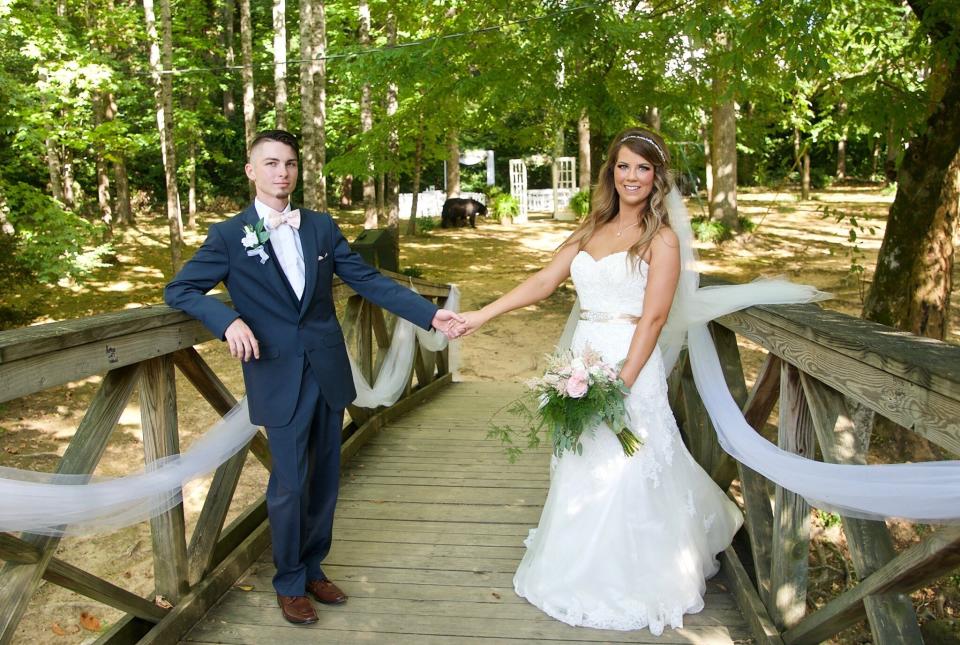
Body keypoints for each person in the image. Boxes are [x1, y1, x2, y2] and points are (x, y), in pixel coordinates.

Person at [165, 129, 463, 625]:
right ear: (251, 171)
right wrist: (227, 320)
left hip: (327, 370)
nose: (282, 172)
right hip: (276, 374)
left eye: (290, 164)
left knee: (325, 477)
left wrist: (429, 316)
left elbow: (367, 280)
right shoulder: (229, 235)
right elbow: (180, 290)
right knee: (289, 483)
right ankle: (288, 580)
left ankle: (314, 569)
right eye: (272, 163)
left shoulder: (321, 227)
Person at [456, 128, 743, 634]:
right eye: (623, 166)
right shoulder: (591, 227)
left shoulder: (662, 239)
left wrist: (620, 386)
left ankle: (637, 576)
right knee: (581, 460)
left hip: (629, 362)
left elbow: (653, 319)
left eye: (643, 168)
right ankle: (572, 569)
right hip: (581, 357)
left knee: (626, 467)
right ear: (611, 172)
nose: (631, 176)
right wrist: (484, 314)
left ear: (657, 178)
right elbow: (545, 281)